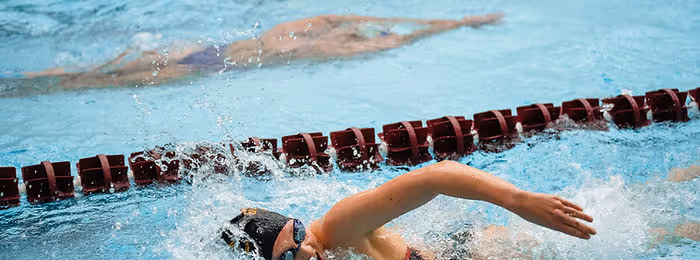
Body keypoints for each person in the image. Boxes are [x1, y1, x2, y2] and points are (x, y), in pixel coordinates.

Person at [221, 161, 700, 260]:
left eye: (300, 236)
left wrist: (520, 200)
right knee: (614, 211)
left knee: (635, 238)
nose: (308, 253)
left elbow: (438, 174)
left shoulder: (339, 226)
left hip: (477, 258)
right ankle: (679, 177)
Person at [6, 13, 503, 94]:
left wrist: (453, 21)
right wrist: (460, 24)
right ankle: (33, 86)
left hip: (206, 51)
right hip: (218, 64)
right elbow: (411, 34)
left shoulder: (320, 24)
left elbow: (409, 27)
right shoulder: (341, 44)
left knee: (95, 73)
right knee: (98, 82)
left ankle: (32, 79)